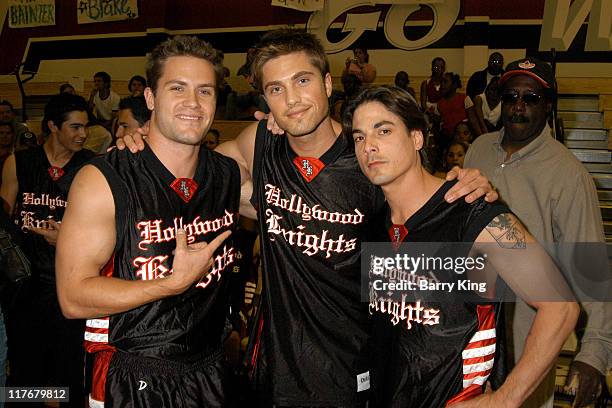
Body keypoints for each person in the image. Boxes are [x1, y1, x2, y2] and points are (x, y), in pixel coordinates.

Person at [120, 29, 497, 407]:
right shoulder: (261, 143)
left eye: (302, 80)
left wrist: (471, 190)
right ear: (265, 98)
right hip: (271, 373)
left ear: (327, 83)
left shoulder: (368, 158)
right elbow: (194, 170)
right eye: (276, 89)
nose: (293, 100)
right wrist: (142, 141)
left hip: (351, 373)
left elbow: (550, 288)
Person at [343, 84, 579, 408]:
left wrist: (504, 400)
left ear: (416, 138)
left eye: (383, 130)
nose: (369, 146)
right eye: (359, 137)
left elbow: (561, 306)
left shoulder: (471, 210)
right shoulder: (372, 222)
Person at [55, 36, 240, 408]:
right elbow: (73, 298)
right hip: (132, 373)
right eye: (178, 88)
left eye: (205, 91)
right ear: (151, 99)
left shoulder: (227, 173)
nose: (193, 103)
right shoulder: (103, 179)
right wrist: (170, 285)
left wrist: (283, 121)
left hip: (210, 369)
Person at [465, 57, 612, 408]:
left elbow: (588, 264)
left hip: (525, 341)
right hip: (468, 333)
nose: (517, 106)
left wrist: (594, 351)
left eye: (530, 98)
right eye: (511, 96)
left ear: (547, 105)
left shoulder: (568, 174)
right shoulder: (479, 150)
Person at [0, 93, 95, 408]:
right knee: (24, 373)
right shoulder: (20, 162)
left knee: (69, 373)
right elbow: (4, 218)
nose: (83, 134)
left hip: (70, 286)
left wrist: (66, 239)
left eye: (86, 127)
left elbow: (102, 230)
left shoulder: (93, 166)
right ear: (53, 126)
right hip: (24, 287)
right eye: (75, 127)